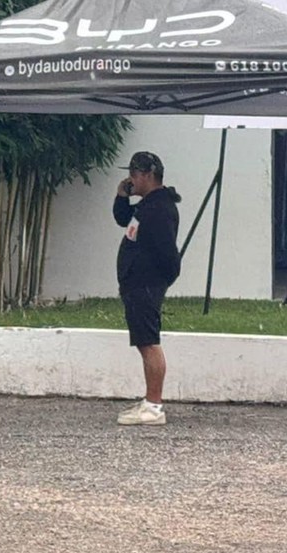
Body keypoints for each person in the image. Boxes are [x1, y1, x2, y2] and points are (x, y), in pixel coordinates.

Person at [113, 151, 182, 426]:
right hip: (137, 282)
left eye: (134, 175)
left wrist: (160, 279)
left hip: (146, 283)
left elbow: (168, 253)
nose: (131, 179)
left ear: (147, 175)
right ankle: (149, 401)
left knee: (148, 342)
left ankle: (154, 405)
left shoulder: (160, 208)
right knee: (143, 341)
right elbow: (123, 219)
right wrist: (122, 195)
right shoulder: (147, 205)